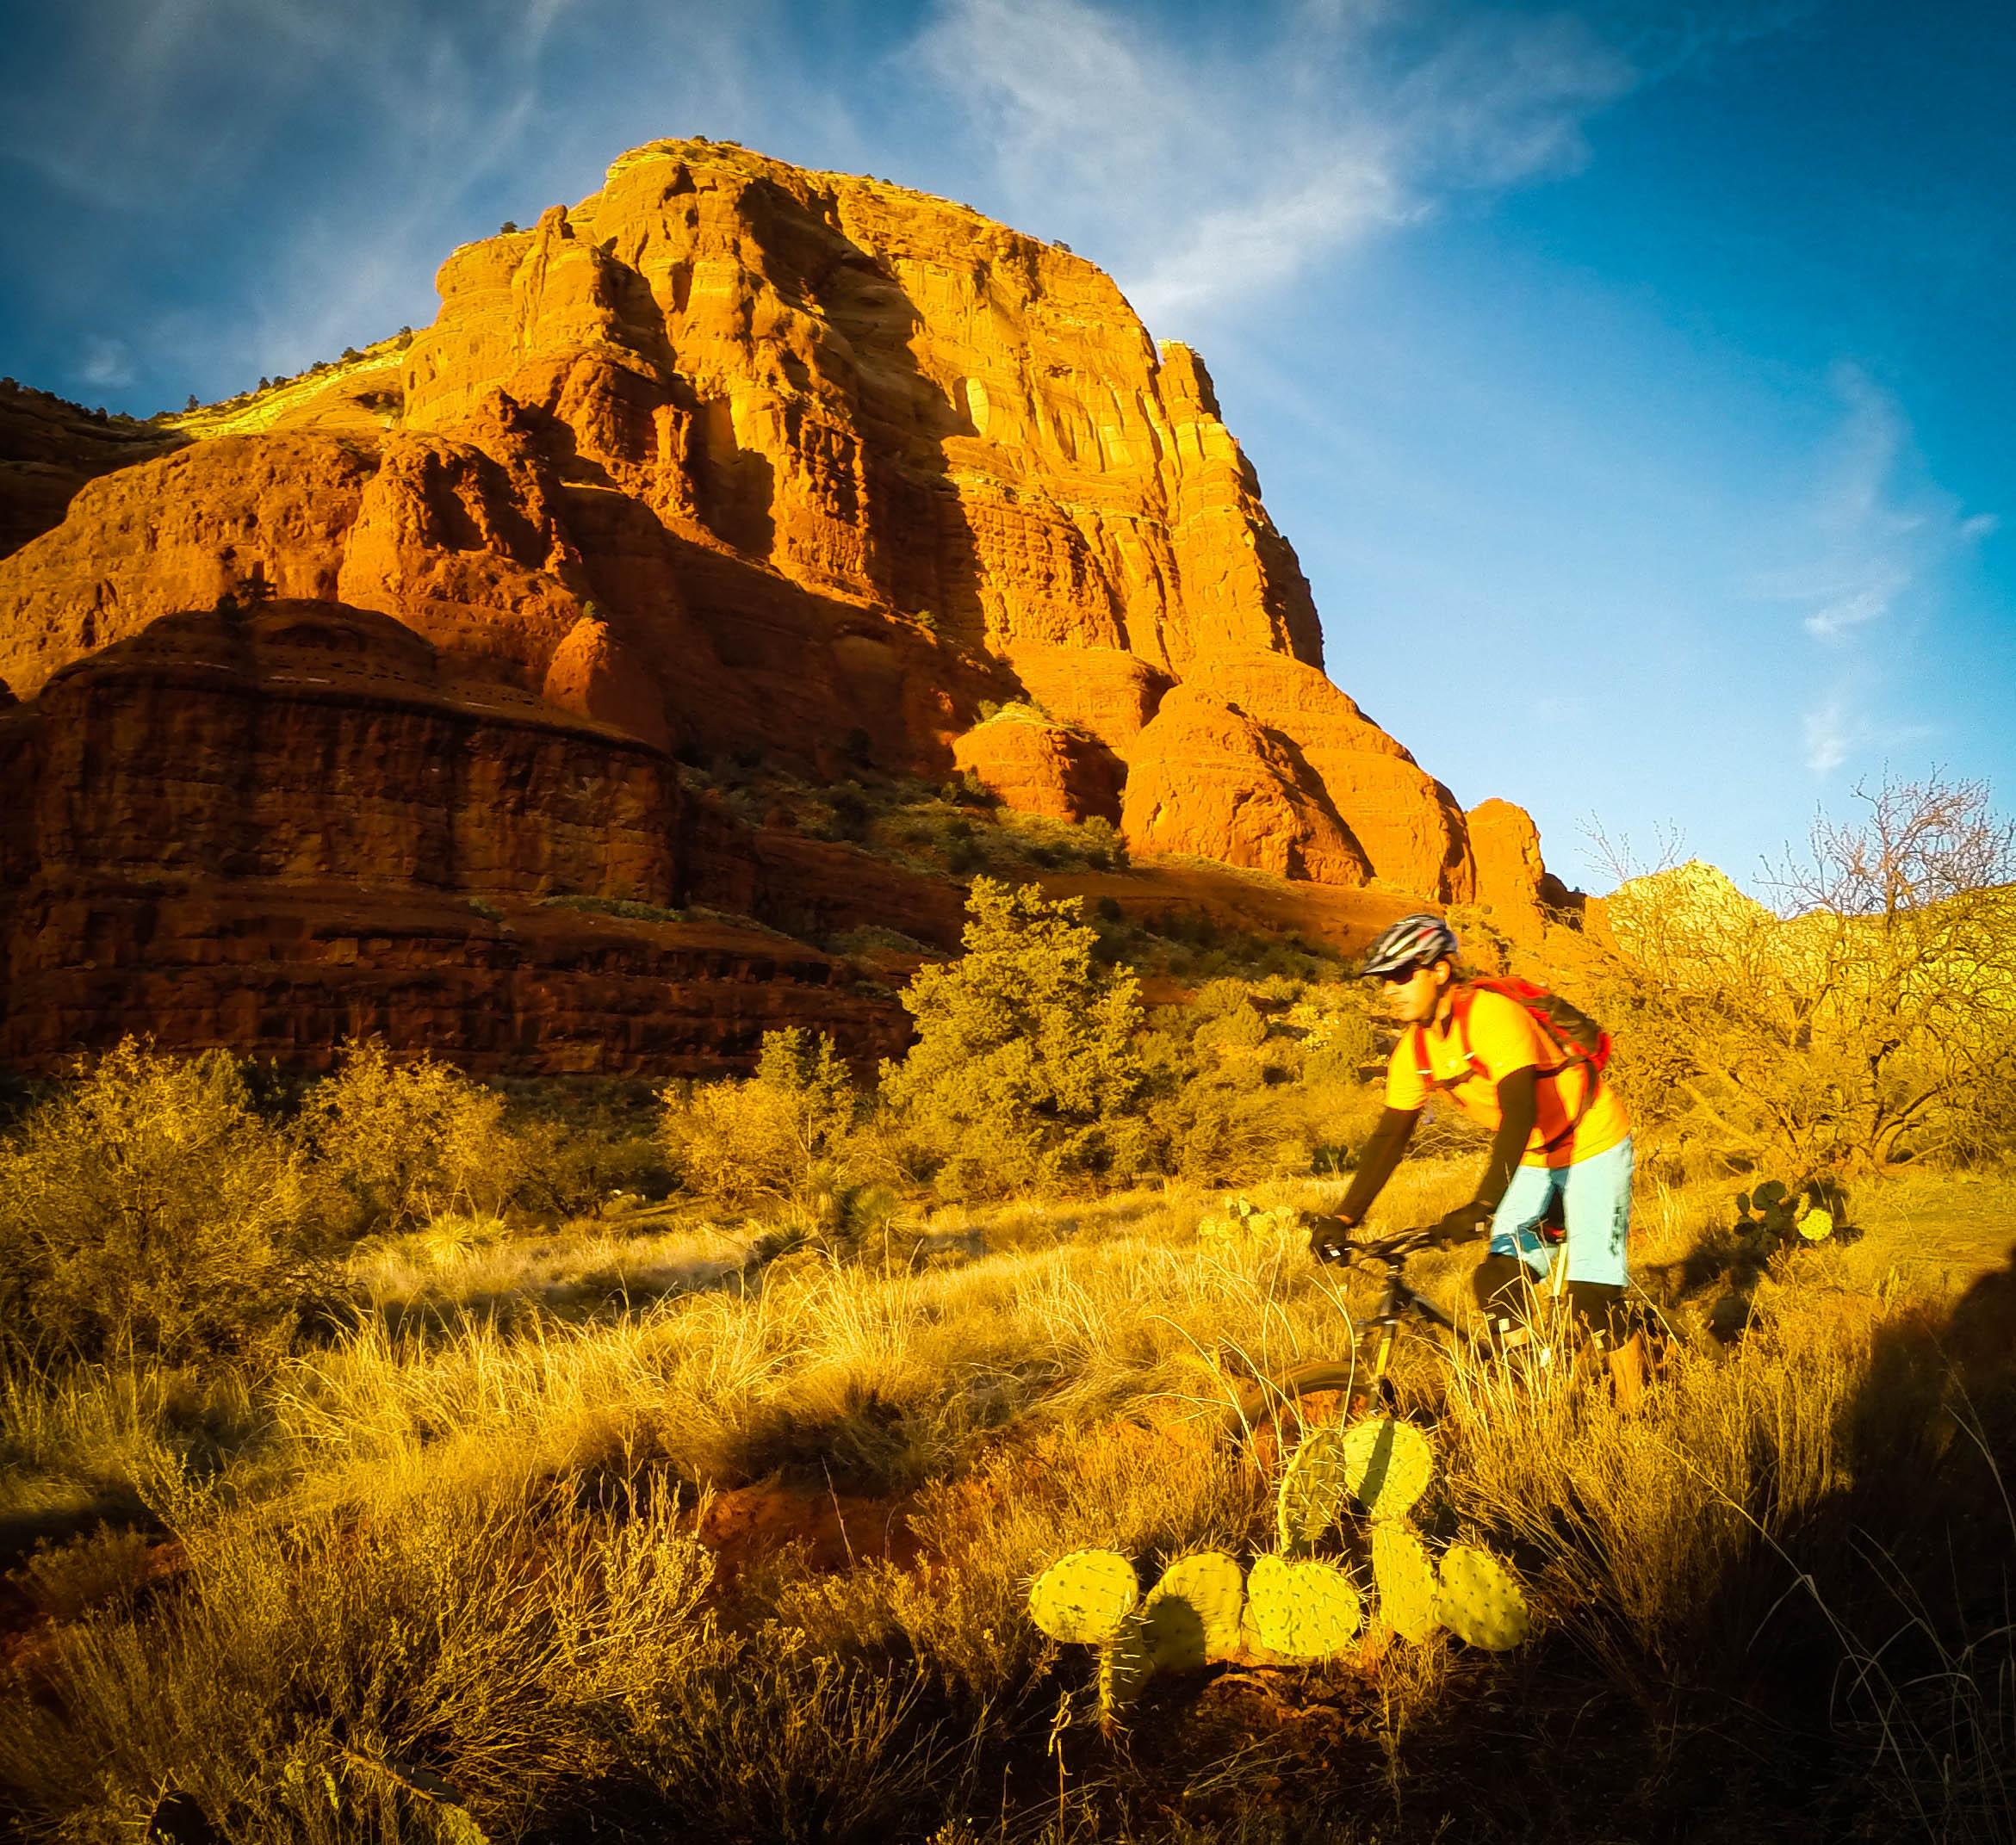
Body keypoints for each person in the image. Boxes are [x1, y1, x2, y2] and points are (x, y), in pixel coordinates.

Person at [1306, 913, 1635, 1342]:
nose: (1390, 990)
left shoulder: (1491, 1016)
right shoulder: (1414, 1051)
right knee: (1497, 1282)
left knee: (1593, 1302)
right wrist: (1343, 1216)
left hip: (1592, 1143)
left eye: (1402, 975)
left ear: (1440, 970)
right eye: (1383, 980)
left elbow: (1519, 1112)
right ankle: (1529, 1385)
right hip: (1534, 1158)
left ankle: (1642, 1395)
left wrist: (1482, 1206)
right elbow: (1390, 1137)